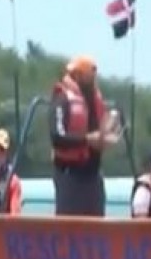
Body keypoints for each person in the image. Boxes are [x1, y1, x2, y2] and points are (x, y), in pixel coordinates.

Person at [49, 55, 120, 217]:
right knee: (70, 225)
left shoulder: (95, 100)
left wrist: (106, 137)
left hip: (94, 176)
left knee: (96, 225)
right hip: (69, 175)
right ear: (78, 75)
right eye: (90, 75)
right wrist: (87, 140)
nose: (94, 79)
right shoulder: (62, 98)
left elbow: (101, 129)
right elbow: (57, 137)